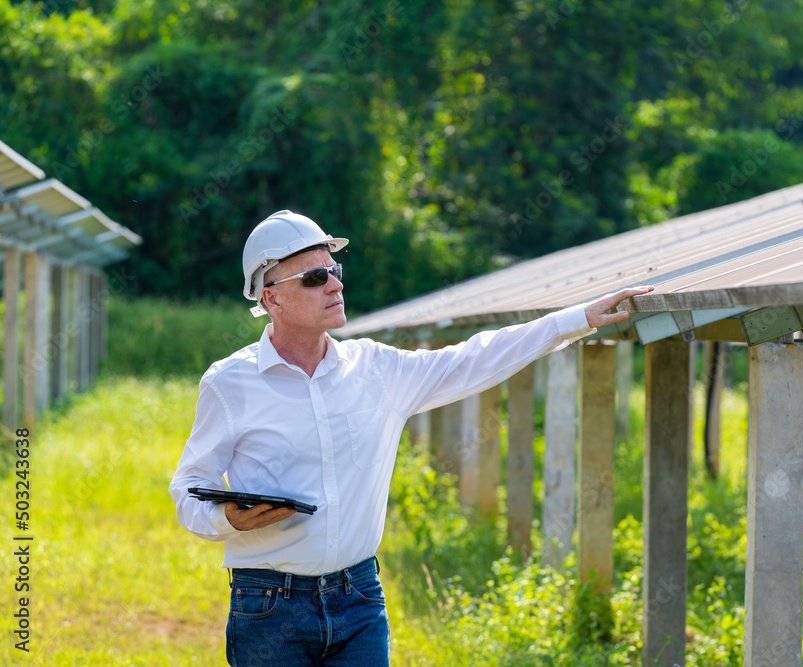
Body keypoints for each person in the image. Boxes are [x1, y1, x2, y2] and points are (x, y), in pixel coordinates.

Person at [168, 210, 652, 666]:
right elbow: (189, 490)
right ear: (271, 297)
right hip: (268, 606)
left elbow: (475, 357)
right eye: (315, 278)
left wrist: (578, 319)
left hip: (358, 599)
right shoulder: (229, 383)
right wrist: (228, 518)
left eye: (333, 270)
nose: (335, 285)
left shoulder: (376, 368)